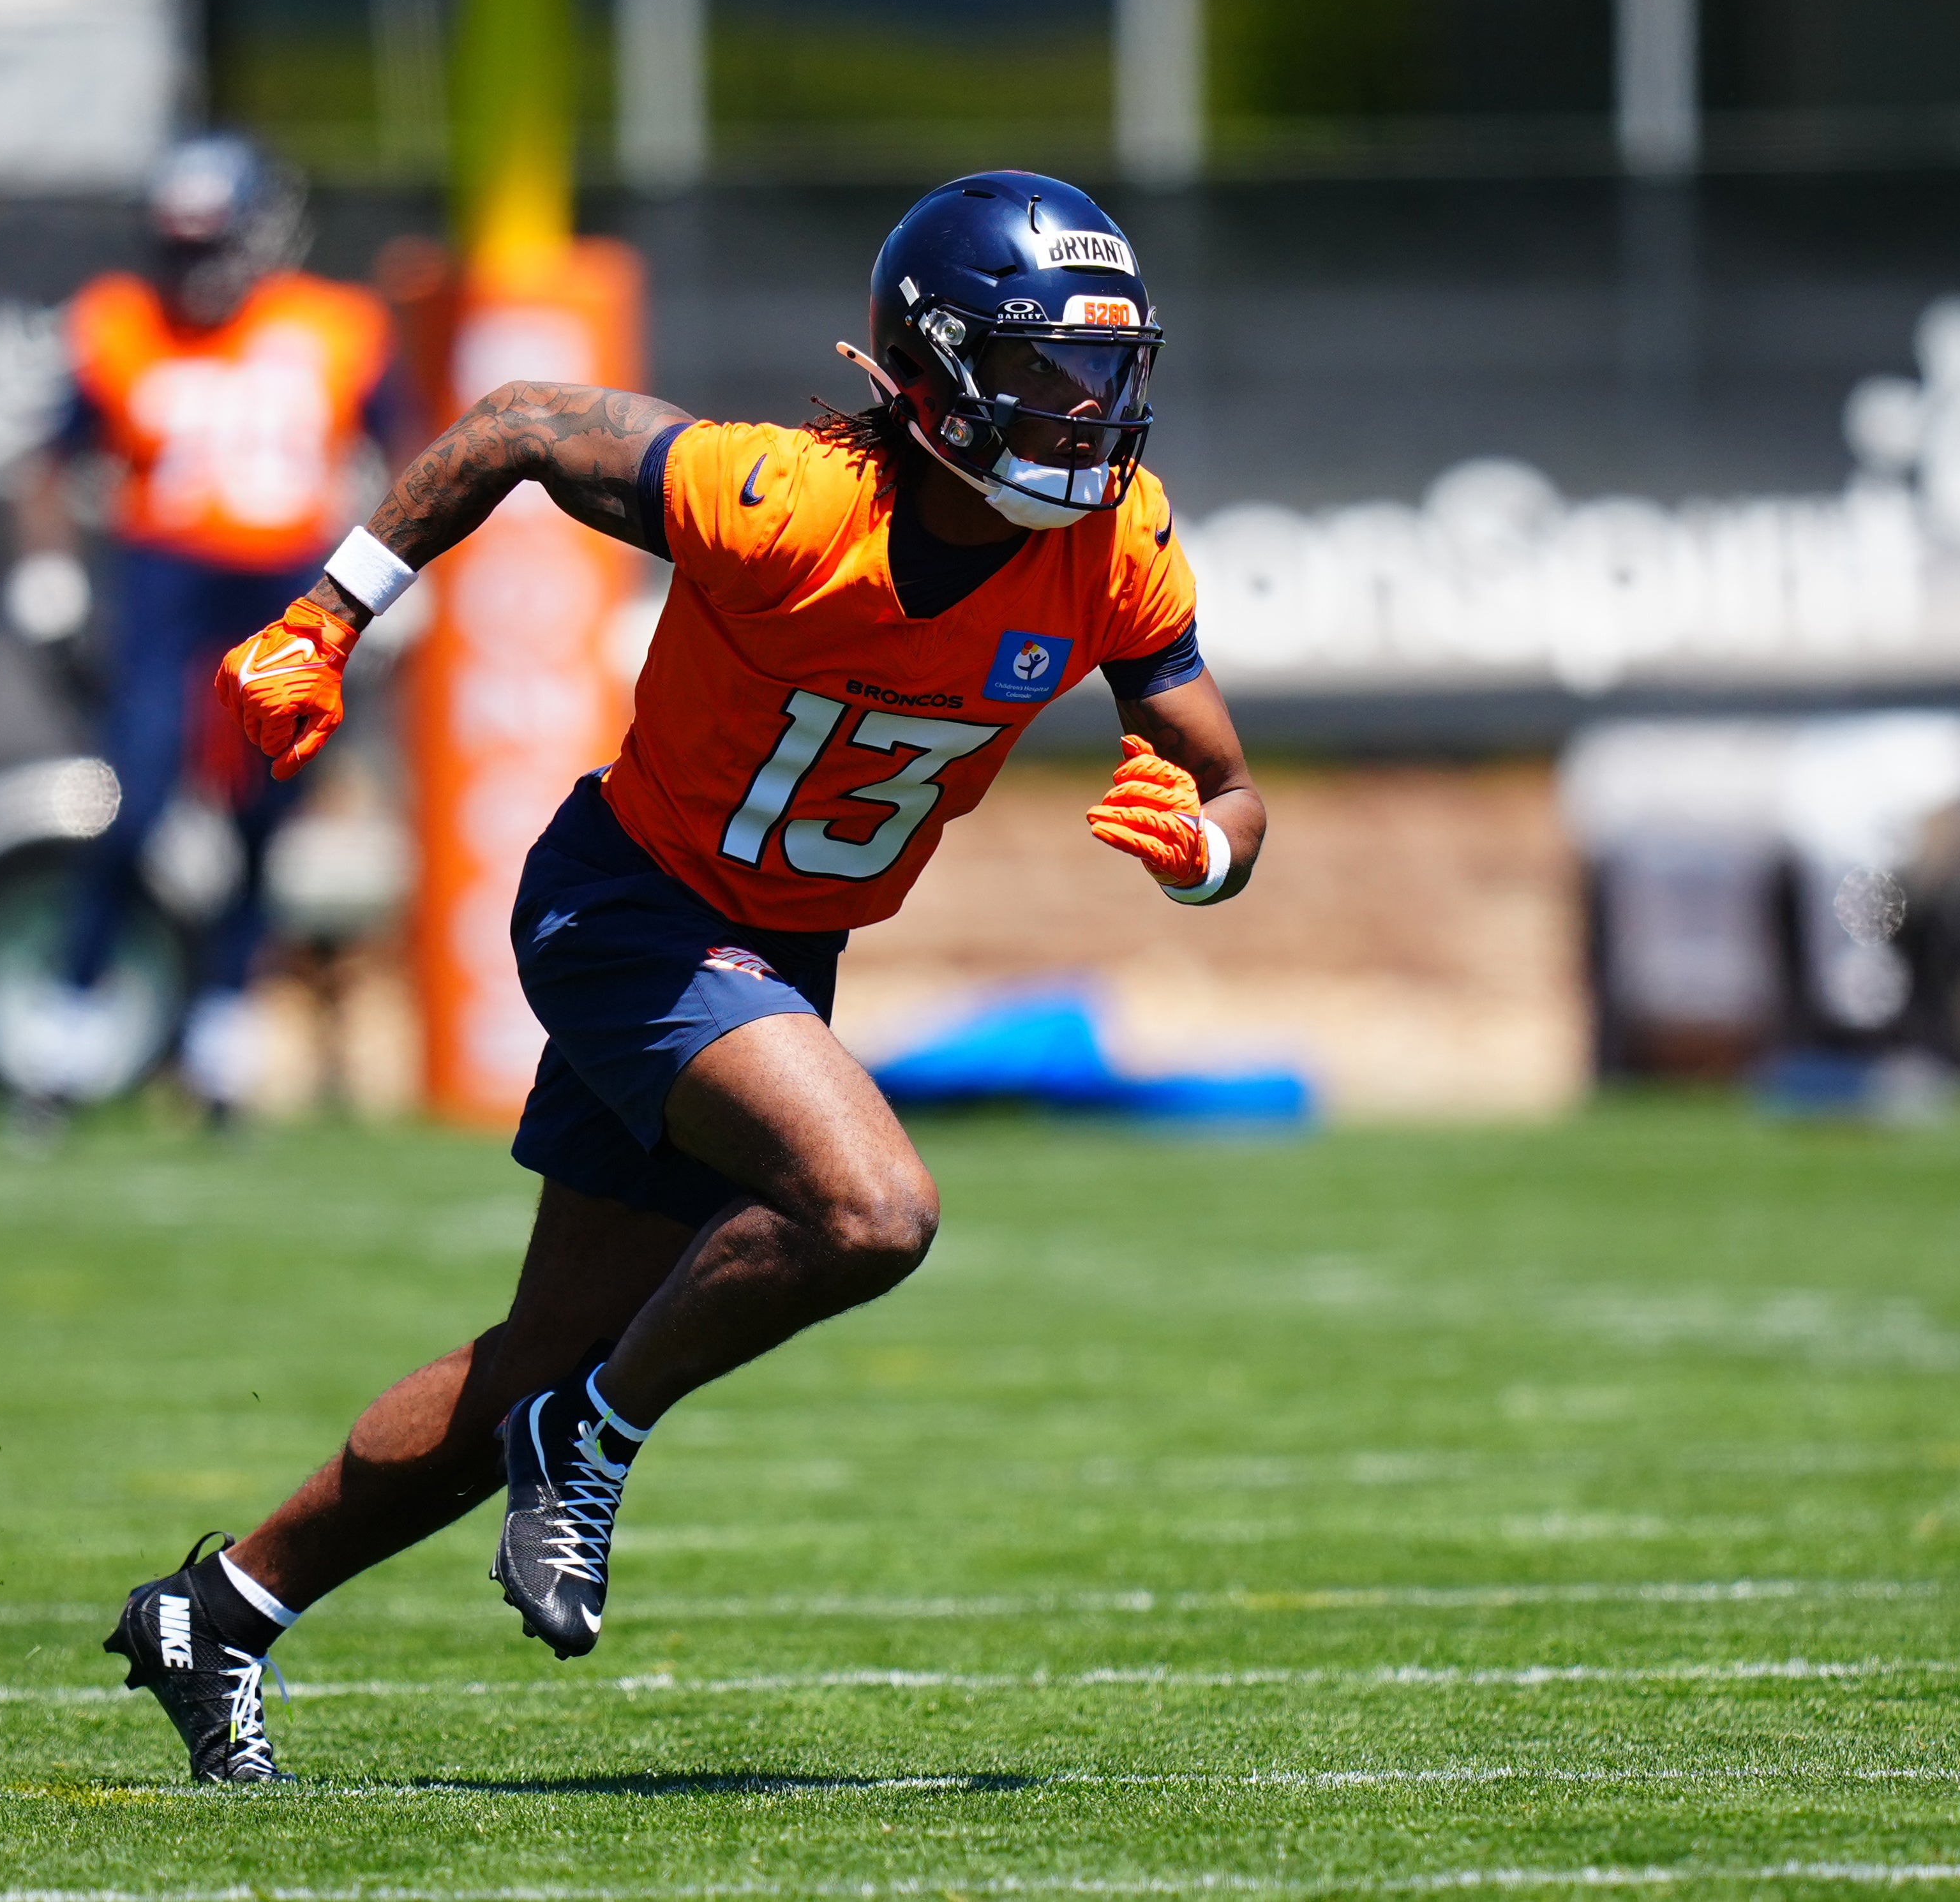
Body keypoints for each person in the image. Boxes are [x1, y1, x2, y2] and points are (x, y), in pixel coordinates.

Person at [100, 173, 1268, 1782]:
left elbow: (1227, 781)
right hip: (631, 909)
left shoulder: (1115, 541)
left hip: (778, 947)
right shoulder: (780, 501)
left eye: (1106, 376)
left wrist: (1206, 850)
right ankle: (595, 1439)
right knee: (872, 1208)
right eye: (1042, 375)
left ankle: (219, 1611)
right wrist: (325, 614)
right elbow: (511, 421)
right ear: (930, 377)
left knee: (537, 1348)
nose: (1085, 416)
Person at [0, 133, 397, 1116]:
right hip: (163, 580)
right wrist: (48, 574)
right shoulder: (120, 323)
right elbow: (47, 467)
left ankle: (224, 1028)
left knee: (263, 818)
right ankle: (69, 1027)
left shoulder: (336, 326)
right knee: (130, 810)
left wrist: (395, 581)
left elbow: (410, 459)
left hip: (287, 585)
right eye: (178, 247)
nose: (195, 270)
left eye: (213, 244)